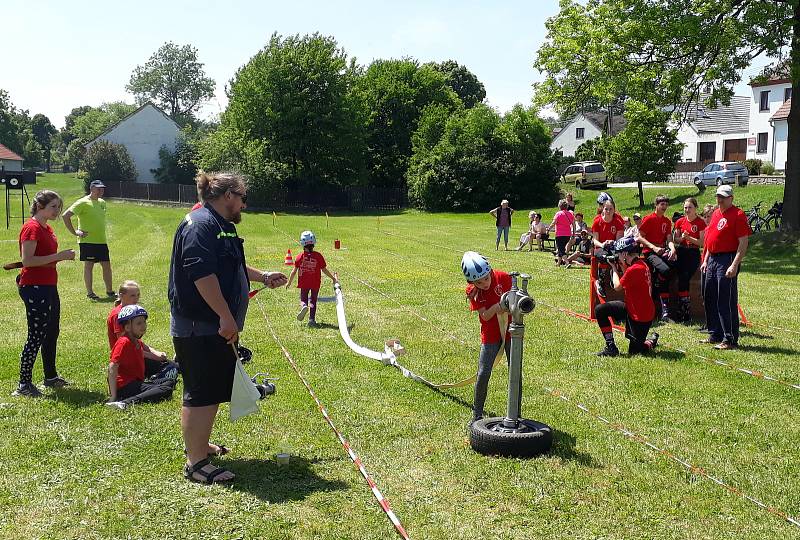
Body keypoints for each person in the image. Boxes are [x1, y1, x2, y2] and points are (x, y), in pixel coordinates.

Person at [169, 171, 287, 484]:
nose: (244, 206)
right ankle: (196, 464)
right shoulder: (202, 225)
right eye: (242, 198)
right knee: (202, 392)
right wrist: (225, 315)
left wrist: (262, 276)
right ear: (228, 196)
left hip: (211, 324)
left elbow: (229, 265)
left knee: (209, 389)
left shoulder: (219, 225)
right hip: (201, 324)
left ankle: (199, 445)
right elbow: (202, 276)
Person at [13, 190, 75, 397]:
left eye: (58, 206)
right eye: (54, 207)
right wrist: (60, 256)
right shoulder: (31, 228)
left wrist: (58, 257)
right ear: (40, 206)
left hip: (48, 285)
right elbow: (28, 261)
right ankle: (24, 384)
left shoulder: (45, 228)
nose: (58, 211)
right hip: (34, 286)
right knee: (36, 334)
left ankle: (50, 377)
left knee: (52, 331)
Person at [461, 251, 512, 423]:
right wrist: (500, 306)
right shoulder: (473, 291)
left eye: (485, 278)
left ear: (489, 271)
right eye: (478, 282)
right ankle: (477, 414)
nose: (484, 283)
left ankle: (515, 413)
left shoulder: (503, 277)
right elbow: (486, 316)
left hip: (511, 331)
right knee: (483, 373)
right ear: (471, 282)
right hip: (490, 334)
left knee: (515, 372)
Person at [701, 185, 751, 350]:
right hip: (713, 259)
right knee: (710, 297)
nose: (720, 199)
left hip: (727, 259)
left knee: (726, 300)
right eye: (718, 196)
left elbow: (743, 242)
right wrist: (706, 259)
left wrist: (734, 264)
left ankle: (729, 338)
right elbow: (710, 240)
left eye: (723, 196)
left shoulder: (738, 215)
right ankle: (714, 333)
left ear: (731, 198)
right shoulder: (715, 213)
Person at [594, 237, 660, 357]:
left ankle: (651, 341)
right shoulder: (641, 264)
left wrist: (614, 268)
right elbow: (629, 278)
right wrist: (623, 265)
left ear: (624, 253)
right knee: (600, 310)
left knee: (636, 351)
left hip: (641, 316)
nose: (617, 256)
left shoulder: (635, 269)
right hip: (632, 307)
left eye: (619, 253)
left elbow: (617, 286)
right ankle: (611, 347)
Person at [106, 305, 177, 410]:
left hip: (135, 382)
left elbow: (148, 353)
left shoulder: (136, 340)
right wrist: (113, 396)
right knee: (166, 389)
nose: (143, 326)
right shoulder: (123, 342)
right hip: (125, 386)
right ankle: (124, 403)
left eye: (144, 322)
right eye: (139, 323)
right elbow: (112, 367)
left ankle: (143, 393)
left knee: (169, 381)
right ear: (127, 327)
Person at [107, 280, 178, 379]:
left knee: (171, 366)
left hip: (136, 353)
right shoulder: (118, 315)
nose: (136, 298)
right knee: (170, 369)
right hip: (127, 358)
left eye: (138, 295)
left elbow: (136, 342)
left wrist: (153, 351)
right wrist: (154, 356)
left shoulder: (131, 311)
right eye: (132, 296)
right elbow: (128, 348)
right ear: (121, 296)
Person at [62, 180, 115, 300]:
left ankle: (110, 291)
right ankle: (90, 293)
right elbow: (66, 216)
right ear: (91, 189)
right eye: (98, 188)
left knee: (106, 265)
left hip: (101, 241)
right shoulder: (82, 202)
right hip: (87, 241)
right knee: (89, 266)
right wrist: (75, 232)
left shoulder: (102, 203)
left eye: (102, 189)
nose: (101, 191)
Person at [285, 230, 338, 327]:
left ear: (302, 243)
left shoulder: (299, 257)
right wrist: (332, 278)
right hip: (315, 283)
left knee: (303, 298)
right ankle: (311, 320)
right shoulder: (318, 256)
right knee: (313, 301)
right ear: (314, 242)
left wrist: (289, 282)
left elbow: (293, 272)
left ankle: (304, 306)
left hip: (303, 283)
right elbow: (324, 270)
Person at [636, 194, 677, 322]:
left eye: (666, 204)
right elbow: (639, 237)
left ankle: (665, 312)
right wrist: (653, 248)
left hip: (662, 250)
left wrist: (673, 248)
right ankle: (659, 279)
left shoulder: (667, 221)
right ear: (656, 205)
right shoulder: (649, 219)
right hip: (650, 252)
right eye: (662, 204)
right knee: (665, 271)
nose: (664, 207)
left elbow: (669, 239)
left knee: (673, 268)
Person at [672, 198, 706, 322]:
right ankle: (682, 308)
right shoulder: (680, 221)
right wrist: (681, 238)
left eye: (690, 207)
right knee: (680, 277)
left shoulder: (700, 222)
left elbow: (702, 243)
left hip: (693, 251)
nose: (687, 210)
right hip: (682, 250)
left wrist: (689, 238)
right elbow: (676, 239)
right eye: (685, 207)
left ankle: (685, 309)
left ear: (695, 208)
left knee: (685, 276)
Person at [591, 199, 625, 298]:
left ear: (614, 210)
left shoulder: (618, 222)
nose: (608, 211)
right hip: (600, 247)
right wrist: (603, 244)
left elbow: (619, 240)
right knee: (606, 257)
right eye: (606, 209)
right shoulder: (597, 222)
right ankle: (600, 281)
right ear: (602, 209)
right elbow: (595, 241)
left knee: (617, 256)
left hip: (613, 246)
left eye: (611, 209)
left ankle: (613, 277)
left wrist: (612, 242)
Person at [547, 199, 575, 265]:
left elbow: (553, 223)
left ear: (559, 206)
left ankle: (567, 262)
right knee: (561, 248)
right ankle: (559, 263)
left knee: (561, 249)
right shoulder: (570, 214)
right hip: (568, 234)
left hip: (559, 234)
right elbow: (574, 225)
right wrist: (573, 234)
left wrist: (548, 229)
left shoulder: (558, 214)